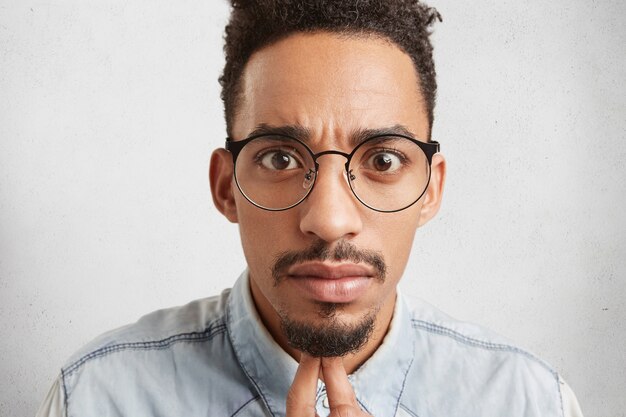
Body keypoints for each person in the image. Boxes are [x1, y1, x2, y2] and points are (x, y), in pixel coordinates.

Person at [36, 1, 584, 416]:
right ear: (226, 187)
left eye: (384, 160)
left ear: (430, 189)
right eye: (279, 157)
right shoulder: (95, 398)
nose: (328, 219)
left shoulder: (531, 402)